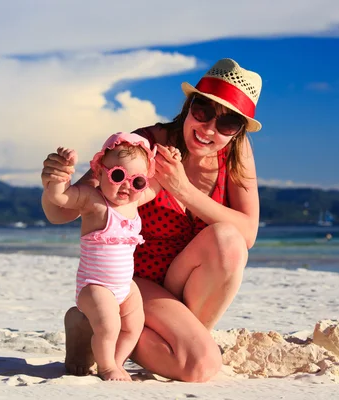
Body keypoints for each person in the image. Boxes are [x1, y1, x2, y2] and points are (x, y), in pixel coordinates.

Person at [41, 58, 262, 382]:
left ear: (239, 130)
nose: (210, 129)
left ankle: (100, 330)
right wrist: (54, 182)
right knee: (200, 366)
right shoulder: (143, 148)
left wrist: (183, 190)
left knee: (229, 242)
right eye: (203, 110)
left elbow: (248, 233)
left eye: (228, 123)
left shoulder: (235, 154)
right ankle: (114, 328)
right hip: (136, 283)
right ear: (189, 105)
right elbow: (62, 211)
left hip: (183, 282)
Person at [44, 132, 179, 381]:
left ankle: (116, 362)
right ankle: (106, 367)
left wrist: (169, 160)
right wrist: (60, 176)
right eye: (118, 175)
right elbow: (60, 197)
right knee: (110, 326)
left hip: (124, 286)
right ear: (99, 172)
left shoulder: (134, 204)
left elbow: (159, 183)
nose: (127, 185)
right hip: (95, 286)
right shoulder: (91, 200)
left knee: (134, 324)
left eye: (137, 181)